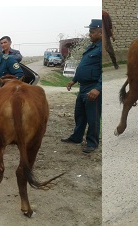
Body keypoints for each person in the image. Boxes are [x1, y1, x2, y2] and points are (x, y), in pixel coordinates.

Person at [61, 19, 102, 153]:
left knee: (93, 117)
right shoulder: (91, 47)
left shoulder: (103, 48)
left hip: (93, 87)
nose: (89, 34)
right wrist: (74, 80)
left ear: (101, 33)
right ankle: (77, 137)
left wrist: (98, 88)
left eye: (92, 32)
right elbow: (83, 66)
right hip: (83, 86)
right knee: (80, 114)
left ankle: (92, 143)